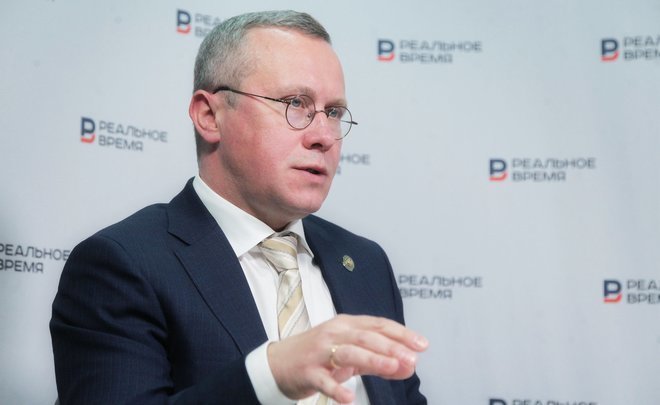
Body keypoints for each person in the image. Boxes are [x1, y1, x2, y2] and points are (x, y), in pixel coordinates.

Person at [50, 10, 428, 404]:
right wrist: (272, 376)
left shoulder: (365, 263)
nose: (323, 136)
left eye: (333, 113)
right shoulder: (123, 265)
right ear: (209, 116)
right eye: (295, 103)